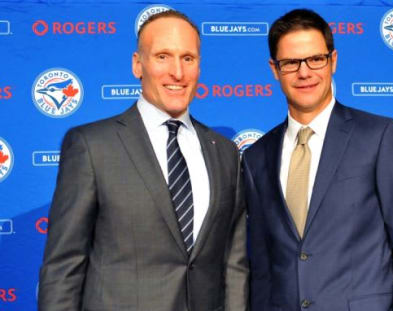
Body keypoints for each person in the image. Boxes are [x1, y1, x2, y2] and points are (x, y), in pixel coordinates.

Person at [38, 10, 248, 311]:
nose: (177, 72)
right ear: (138, 64)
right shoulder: (91, 146)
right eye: (163, 56)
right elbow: (63, 267)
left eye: (188, 58)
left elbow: (234, 263)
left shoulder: (225, 152)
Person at [242, 8, 393, 311]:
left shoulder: (381, 138)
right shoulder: (256, 158)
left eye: (315, 59)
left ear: (333, 61)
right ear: (274, 69)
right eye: (291, 63)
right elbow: (263, 269)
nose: (304, 72)